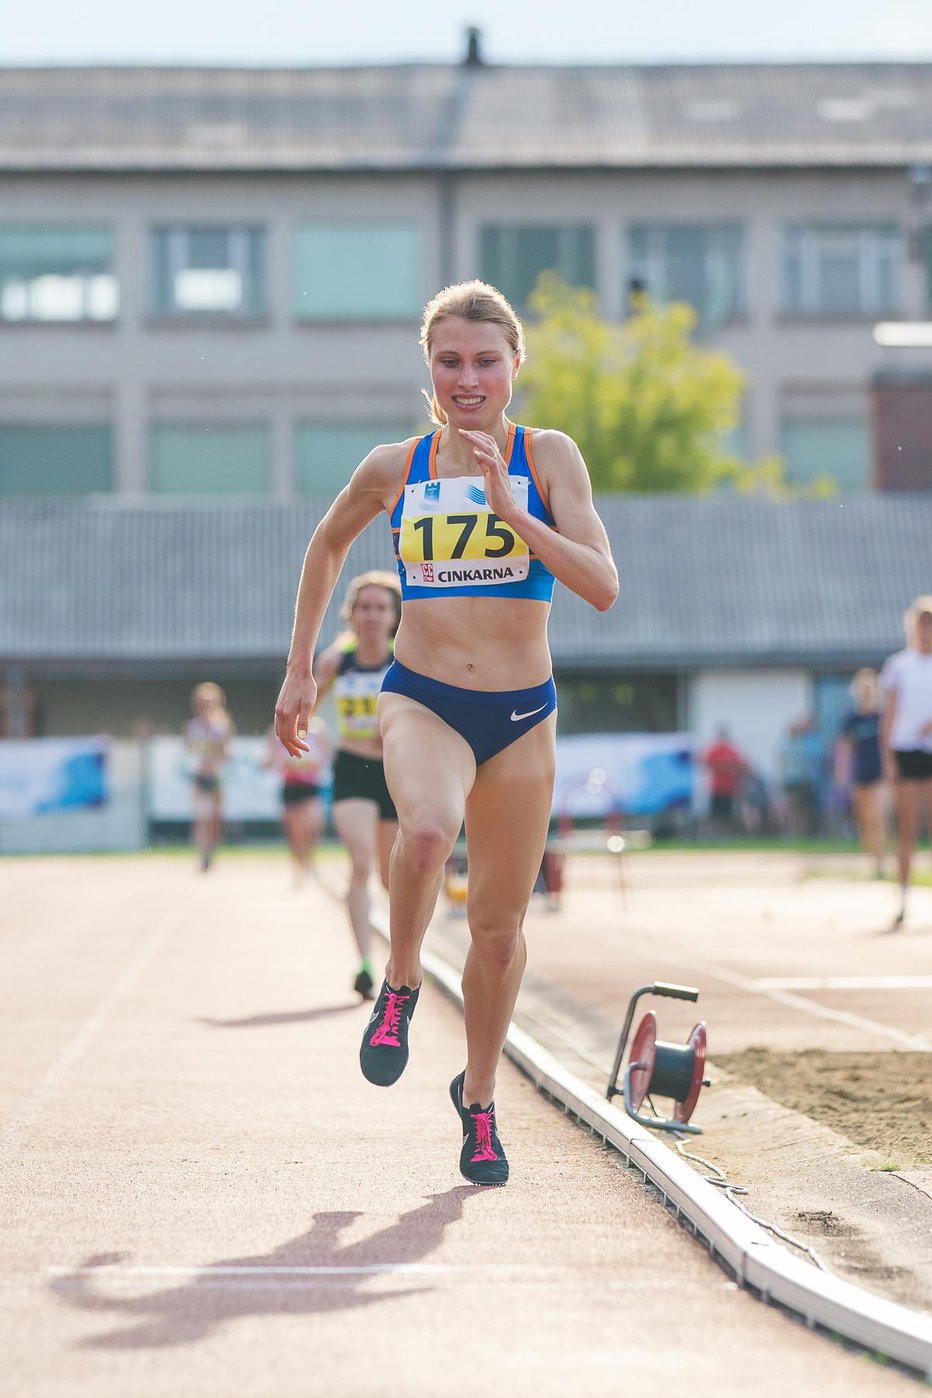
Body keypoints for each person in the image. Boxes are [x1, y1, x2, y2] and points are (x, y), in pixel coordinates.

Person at [275, 279, 618, 1185]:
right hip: (423, 697)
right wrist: (301, 665)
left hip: (521, 718)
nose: (467, 379)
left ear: (514, 368)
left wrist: (515, 513)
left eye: (484, 362)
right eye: (449, 361)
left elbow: (602, 583)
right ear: (429, 367)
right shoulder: (398, 466)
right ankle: (400, 982)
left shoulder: (549, 459)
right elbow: (326, 544)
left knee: (501, 934)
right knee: (426, 831)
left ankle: (479, 1100)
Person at [313, 571, 402, 1001]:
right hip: (352, 768)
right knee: (361, 864)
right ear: (350, 615)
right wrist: (310, 735)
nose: (371, 616)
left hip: (397, 774)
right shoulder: (335, 662)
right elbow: (304, 704)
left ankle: (402, 959)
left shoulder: (406, 658)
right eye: (364, 607)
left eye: (380, 607)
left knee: (392, 877)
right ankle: (365, 963)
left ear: (393, 616)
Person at [879, 596, 932, 928]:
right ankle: (902, 897)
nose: (926, 632)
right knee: (907, 830)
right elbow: (889, 714)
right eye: (922, 625)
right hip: (907, 751)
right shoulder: (899, 665)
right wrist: (888, 759)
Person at [263, 716, 332, 885]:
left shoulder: (318, 729)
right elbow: (269, 759)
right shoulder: (276, 730)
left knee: (313, 825)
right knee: (295, 832)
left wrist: (312, 763)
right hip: (290, 786)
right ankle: (298, 867)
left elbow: (328, 756)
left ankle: (310, 860)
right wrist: (279, 761)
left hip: (311, 785)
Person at [834, 668, 885, 878]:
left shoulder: (881, 716)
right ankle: (873, 858)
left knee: (877, 817)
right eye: (861, 688)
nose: (865, 692)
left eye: (869, 687)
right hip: (859, 774)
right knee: (864, 820)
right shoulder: (851, 719)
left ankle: (880, 864)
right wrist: (841, 774)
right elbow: (844, 748)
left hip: (880, 774)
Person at [184, 682, 234, 872]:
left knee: (214, 817)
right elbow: (188, 750)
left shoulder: (222, 726)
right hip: (199, 775)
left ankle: (212, 849)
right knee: (200, 815)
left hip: (216, 776)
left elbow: (227, 752)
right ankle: (201, 852)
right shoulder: (193, 727)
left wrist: (214, 760)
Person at [700, 726, 747, 836]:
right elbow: (704, 762)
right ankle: (716, 833)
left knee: (727, 813)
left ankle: (726, 833)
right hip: (716, 787)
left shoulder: (731, 751)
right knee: (716, 813)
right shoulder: (713, 750)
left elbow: (741, 765)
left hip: (729, 787)